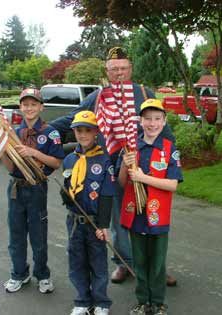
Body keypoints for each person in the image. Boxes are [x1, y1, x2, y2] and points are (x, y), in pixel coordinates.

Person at [50, 47, 177, 286]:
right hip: (112, 171)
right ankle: (124, 262)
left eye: (123, 68)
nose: (119, 73)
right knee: (119, 220)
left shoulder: (143, 92)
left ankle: (156, 267)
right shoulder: (98, 98)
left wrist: (171, 158)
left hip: (146, 170)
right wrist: (45, 131)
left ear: (130, 69)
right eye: (114, 69)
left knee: (151, 219)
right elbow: (74, 119)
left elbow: (164, 129)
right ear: (107, 72)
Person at [118, 99, 183, 315]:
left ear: (164, 122)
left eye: (157, 119)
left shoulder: (169, 150)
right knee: (140, 261)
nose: (152, 123)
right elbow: (121, 182)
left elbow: (172, 185)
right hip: (136, 214)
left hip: (158, 216)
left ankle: (158, 302)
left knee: (157, 263)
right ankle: (142, 300)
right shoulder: (131, 148)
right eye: (147, 119)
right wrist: (126, 167)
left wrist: (143, 178)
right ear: (140, 121)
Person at [0, 88, 65, 294]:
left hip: (37, 188)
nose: (29, 108)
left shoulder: (50, 132)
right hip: (16, 189)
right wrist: (3, 151)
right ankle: (19, 273)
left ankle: (43, 275)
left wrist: (33, 152)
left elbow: (56, 162)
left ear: (41, 107)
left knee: (38, 235)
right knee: (16, 234)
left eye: (33, 104)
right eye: (25, 104)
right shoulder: (14, 133)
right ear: (20, 107)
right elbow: (11, 169)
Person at [61, 110, 114, 315]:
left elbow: (107, 196)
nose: (82, 135)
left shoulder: (104, 161)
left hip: (94, 223)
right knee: (76, 262)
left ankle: (101, 302)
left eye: (87, 131)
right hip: (74, 221)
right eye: (78, 131)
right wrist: (65, 194)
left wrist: (103, 225)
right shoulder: (69, 160)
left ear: (95, 133)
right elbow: (68, 185)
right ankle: (82, 301)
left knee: (98, 263)